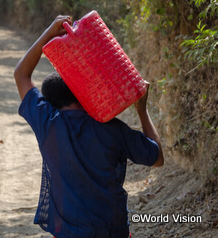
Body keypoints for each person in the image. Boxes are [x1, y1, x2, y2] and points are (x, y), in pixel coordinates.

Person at [14, 15, 164, 238]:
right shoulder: (112, 128)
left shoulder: (47, 124)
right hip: (113, 231)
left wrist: (48, 33)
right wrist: (142, 110)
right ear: (84, 91)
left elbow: (21, 74)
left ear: (52, 103)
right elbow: (157, 158)